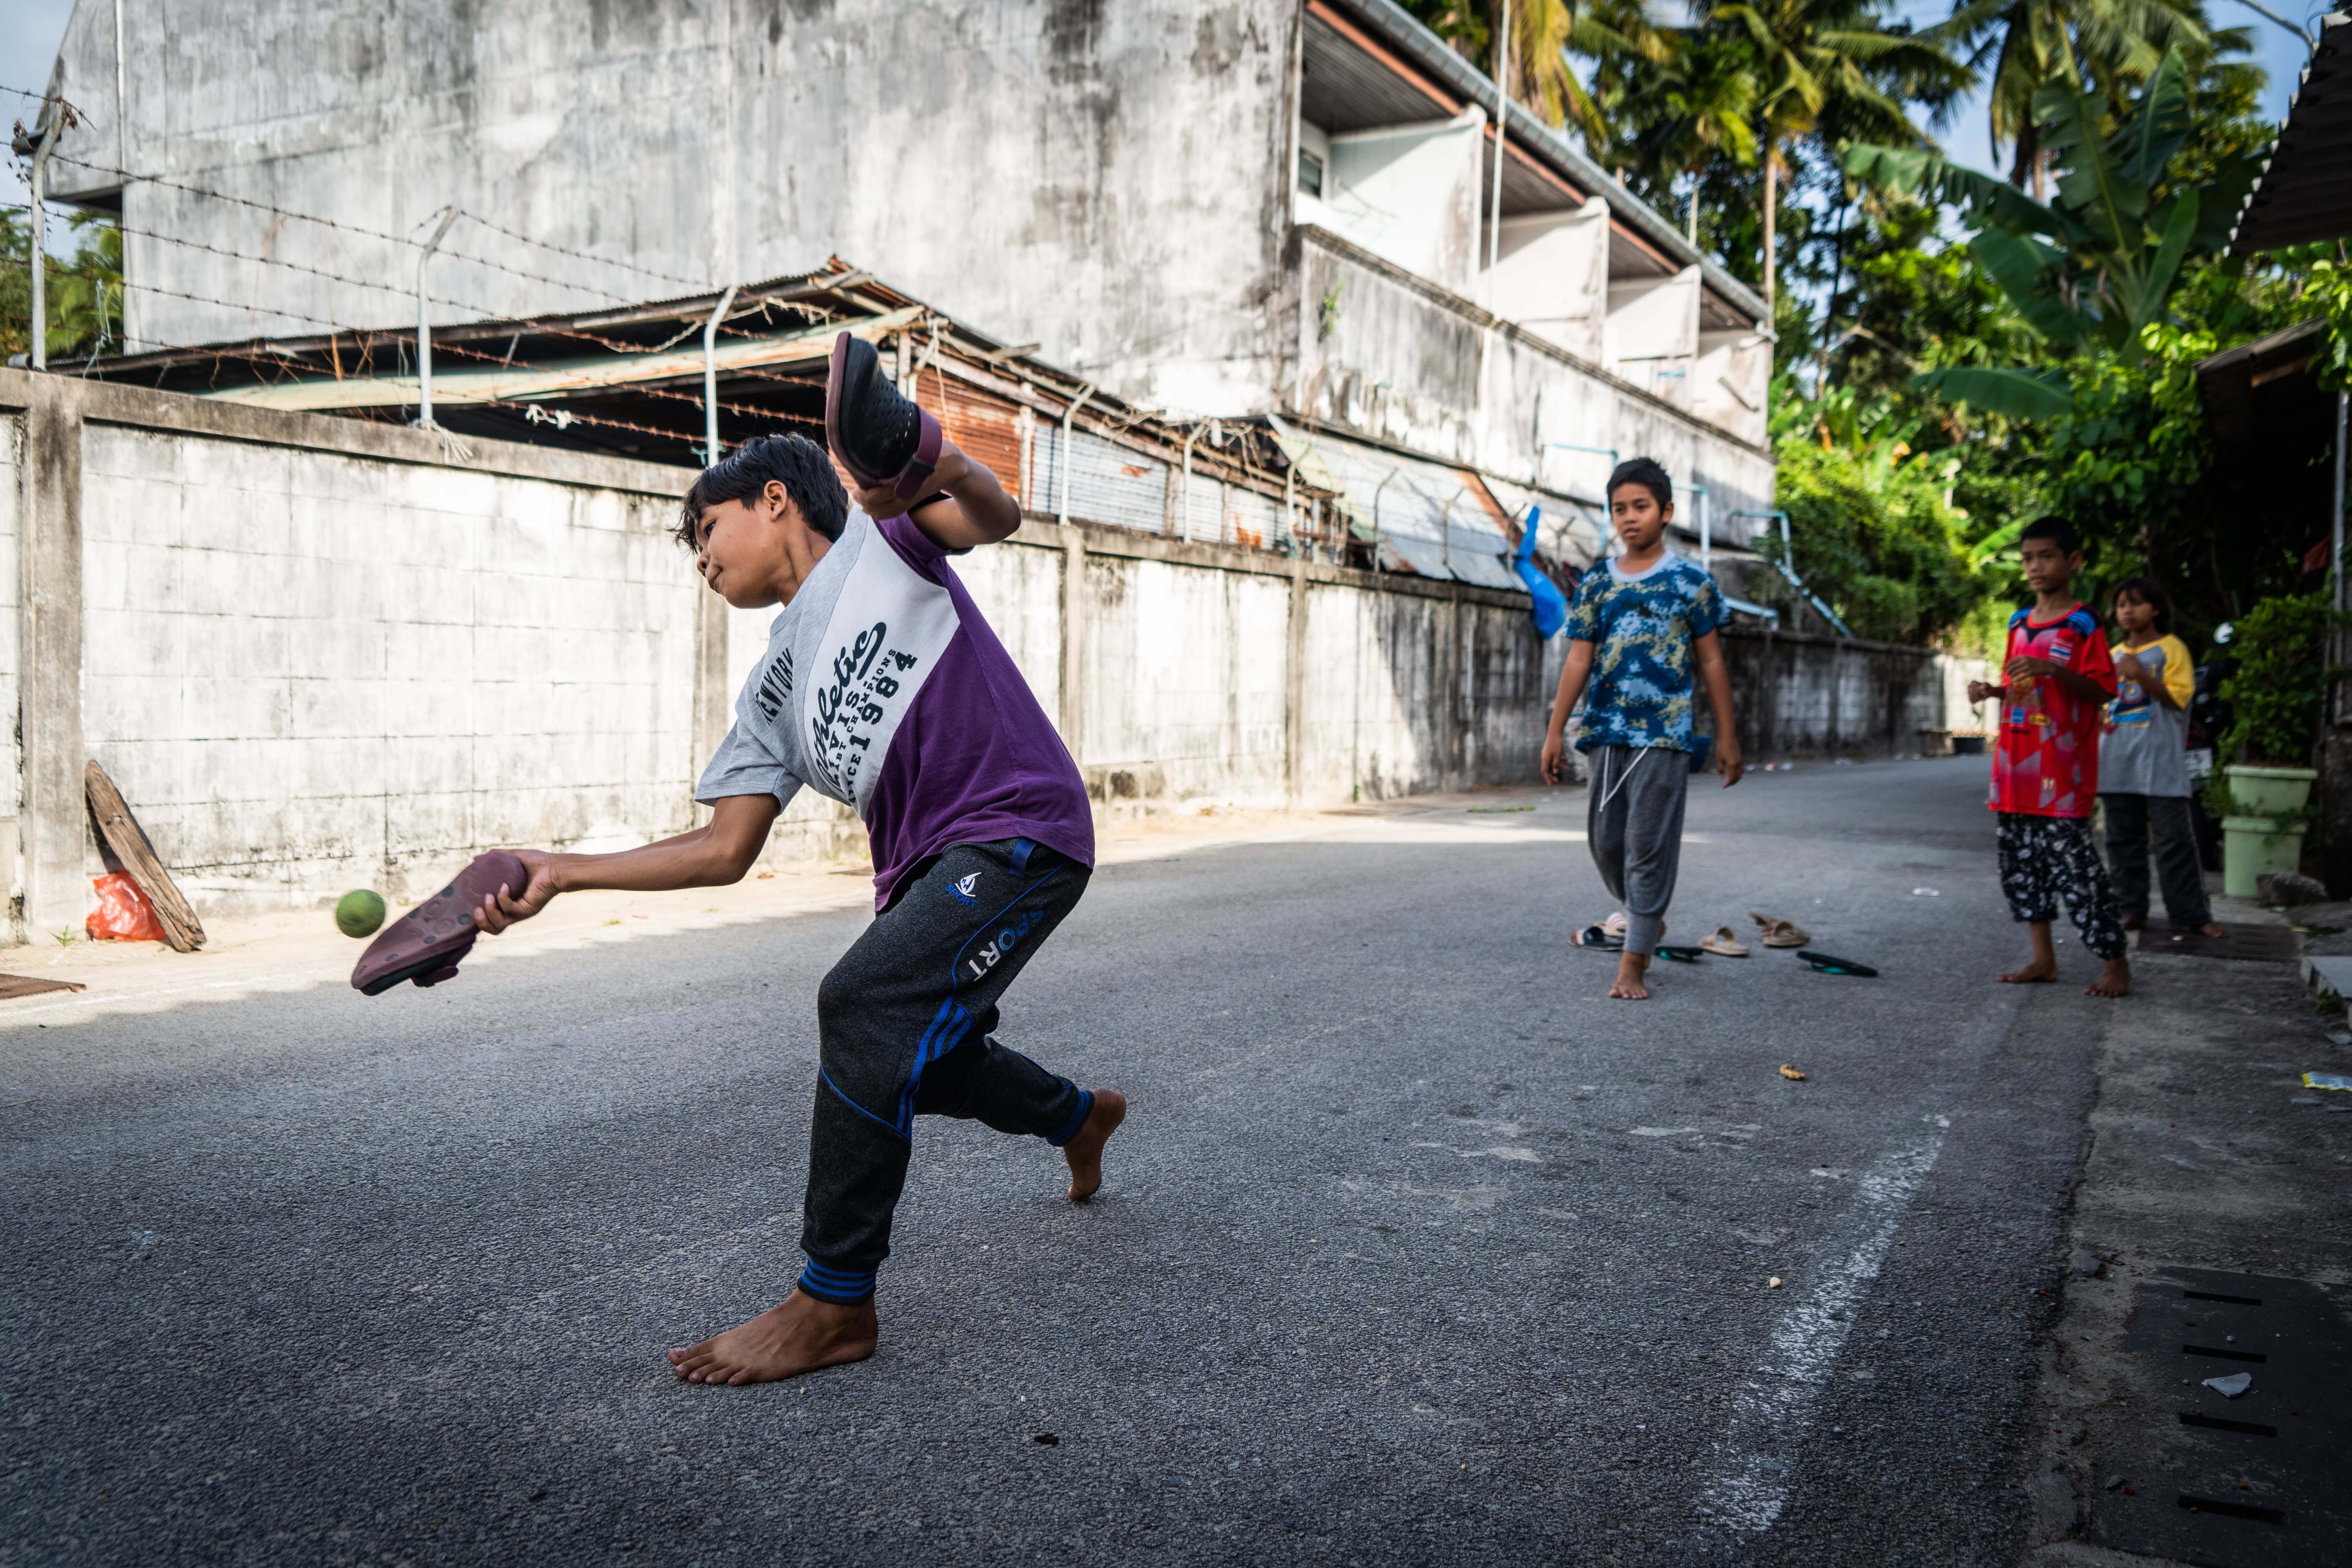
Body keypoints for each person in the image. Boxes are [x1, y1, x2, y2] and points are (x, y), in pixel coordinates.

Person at [465, 425, 1125, 1385]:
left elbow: (994, 515)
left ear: (774, 498)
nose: (701, 558)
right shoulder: (771, 689)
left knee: (864, 1003)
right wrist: (560, 870)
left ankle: (834, 1300)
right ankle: (1077, 1115)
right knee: (926, 1060)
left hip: (1022, 827)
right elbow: (722, 849)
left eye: (707, 529)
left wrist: (942, 465)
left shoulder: (880, 543)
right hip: (924, 871)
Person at [1540, 457, 1745, 1001]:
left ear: (1666, 512)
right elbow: (1579, 659)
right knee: (1607, 843)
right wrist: (1555, 731)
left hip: (1664, 735)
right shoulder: (1597, 582)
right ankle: (1646, 916)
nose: (1629, 517)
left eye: (1641, 506)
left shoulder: (1691, 583)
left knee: (1646, 845)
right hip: (1605, 731)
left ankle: (1634, 962)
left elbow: (1712, 662)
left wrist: (1727, 737)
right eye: (1619, 509)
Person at [1966, 517, 2131, 997]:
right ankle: (2044, 960)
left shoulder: (2084, 621)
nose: (2035, 566)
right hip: (2015, 768)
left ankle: (2116, 964)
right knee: (2022, 868)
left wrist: (2052, 669)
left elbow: (2104, 690)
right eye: (2027, 558)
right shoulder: (2018, 622)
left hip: (2063, 771)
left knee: (2078, 871)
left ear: (2073, 561)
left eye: (2046, 556)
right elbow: (2024, 689)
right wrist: (1992, 691)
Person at [2099, 577, 2221, 938]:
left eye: (2136, 603)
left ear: (2155, 609)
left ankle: (2192, 916)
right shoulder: (2111, 655)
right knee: (2122, 840)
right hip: (2116, 760)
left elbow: (2179, 700)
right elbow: (2102, 706)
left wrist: (2140, 675)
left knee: (2175, 841)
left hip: (2161, 760)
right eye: (2122, 605)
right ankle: (2130, 910)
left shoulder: (2173, 648)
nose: (2128, 611)